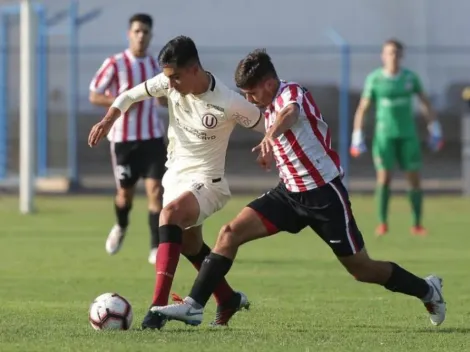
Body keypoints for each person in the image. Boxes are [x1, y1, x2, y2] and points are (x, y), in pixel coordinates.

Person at [152, 49, 446, 328]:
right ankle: (195, 305)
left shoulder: (293, 93)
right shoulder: (264, 103)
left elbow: (289, 114)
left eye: (252, 92)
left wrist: (270, 135)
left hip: (324, 196)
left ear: (269, 83)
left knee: (362, 269)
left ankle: (427, 289)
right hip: (289, 195)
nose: (249, 98)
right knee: (229, 233)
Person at [88, 36, 265, 330]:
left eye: (175, 78)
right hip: (177, 176)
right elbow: (128, 96)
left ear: (194, 69)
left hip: (209, 182)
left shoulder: (229, 102)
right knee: (190, 244)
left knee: (168, 215)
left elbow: (268, 125)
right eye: (167, 78)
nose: (169, 85)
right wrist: (108, 120)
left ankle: (155, 310)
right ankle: (227, 298)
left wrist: (271, 146)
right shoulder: (170, 82)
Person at [89, 14, 167, 264]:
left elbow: (163, 98)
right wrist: (121, 103)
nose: (141, 35)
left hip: (153, 138)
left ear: (150, 35)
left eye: (145, 31)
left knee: (156, 190)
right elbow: (94, 95)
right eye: (137, 31)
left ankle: (155, 246)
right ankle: (121, 225)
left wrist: (166, 98)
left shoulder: (157, 65)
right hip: (123, 140)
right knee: (125, 194)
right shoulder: (115, 63)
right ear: (129, 34)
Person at [350, 39, 443, 236]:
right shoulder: (375, 79)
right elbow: (363, 108)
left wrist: (434, 128)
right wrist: (357, 135)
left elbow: (425, 103)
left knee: (414, 179)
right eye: (389, 53)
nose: (393, 57)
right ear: (383, 56)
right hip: (384, 137)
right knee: (384, 179)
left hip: (408, 136)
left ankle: (417, 224)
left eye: (396, 53)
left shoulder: (410, 78)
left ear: (401, 56)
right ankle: (382, 223)